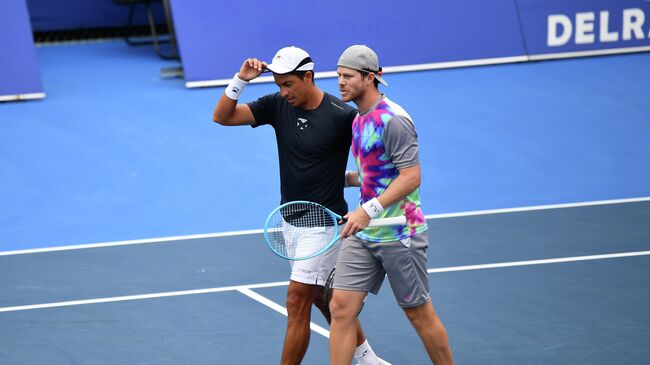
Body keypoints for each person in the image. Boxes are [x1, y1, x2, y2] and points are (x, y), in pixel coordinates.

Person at [212, 46, 388, 365]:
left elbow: (375, 161)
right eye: (278, 85)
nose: (283, 91)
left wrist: (365, 195)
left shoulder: (341, 115)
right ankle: (368, 360)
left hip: (323, 224)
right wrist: (240, 79)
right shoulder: (277, 105)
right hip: (290, 222)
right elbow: (222, 116)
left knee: (296, 301)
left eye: (288, 84)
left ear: (308, 76)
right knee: (324, 299)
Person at [329, 45, 455, 364]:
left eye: (347, 76)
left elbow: (411, 177)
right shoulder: (358, 119)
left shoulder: (394, 120)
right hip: (365, 235)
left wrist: (368, 210)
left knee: (418, 314)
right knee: (340, 308)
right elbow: (375, 173)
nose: (340, 82)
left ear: (369, 78)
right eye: (339, 76)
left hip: (399, 232)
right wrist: (338, 178)